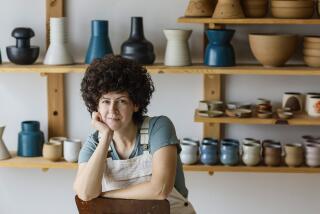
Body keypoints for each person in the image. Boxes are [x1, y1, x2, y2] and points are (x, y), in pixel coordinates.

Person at [73, 55, 195, 213]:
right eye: (105, 101)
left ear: (136, 104)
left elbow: (160, 189)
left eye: (121, 101)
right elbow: (84, 193)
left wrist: (105, 195)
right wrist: (106, 137)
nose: (112, 110)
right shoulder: (94, 143)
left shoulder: (159, 127)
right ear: (96, 105)